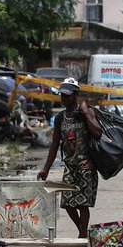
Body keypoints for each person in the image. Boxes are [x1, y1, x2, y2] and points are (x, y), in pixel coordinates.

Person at [37, 78, 102, 238]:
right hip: (70, 166)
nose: (64, 98)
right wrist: (46, 168)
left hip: (87, 166)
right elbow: (54, 144)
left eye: (67, 95)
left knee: (83, 204)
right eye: (62, 95)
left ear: (76, 95)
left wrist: (86, 113)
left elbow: (97, 132)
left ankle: (82, 235)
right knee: (66, 203)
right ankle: (83, 231)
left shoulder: (86, 113)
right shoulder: (60, 118)